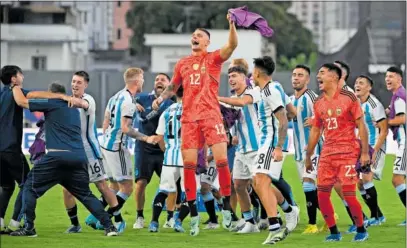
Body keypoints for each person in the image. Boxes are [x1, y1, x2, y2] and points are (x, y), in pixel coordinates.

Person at [151, 13, 238, 236]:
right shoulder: (183, 63)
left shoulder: (214, 59)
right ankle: (193, 215)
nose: (195, 37)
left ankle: (227, 207)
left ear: (207, 42)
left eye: (199, 35)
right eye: (193, 35)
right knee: (189, 167)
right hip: (189, 120)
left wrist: (231, 25)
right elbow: (172, 86)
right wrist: (160, 99)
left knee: (220, 161)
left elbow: (232, 46)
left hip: (210, 116)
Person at [9, 83, 118, 237]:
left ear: (50, 94)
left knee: (28, 188)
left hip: (57, 156)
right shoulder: (73, 108)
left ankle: (29, 228)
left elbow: (22, 101)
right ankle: (110, 227)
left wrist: (15, 87)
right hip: (78, 157)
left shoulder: (53, 102)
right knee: (86, 195)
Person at [0, 65, 70, 234]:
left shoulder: (2, 94)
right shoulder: (16, 90)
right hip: (11, 147)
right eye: (20, 74)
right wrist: (59, 96)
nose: (22, 76)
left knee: (6, 186)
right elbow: (34, 95)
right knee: (27, 183)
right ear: (14, 79)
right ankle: (15, 224)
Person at [305, 63, 369, 242]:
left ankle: (361, 230)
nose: (318, 76)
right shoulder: (318, 102)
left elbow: (361, 126)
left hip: (348, 152)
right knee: (322, 194)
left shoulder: (349, 97)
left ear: (334, 77)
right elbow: (316, 131)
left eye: (322, 73)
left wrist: (364, 153)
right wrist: (308, 155)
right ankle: (334, 232)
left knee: (349, 194)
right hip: (327, 155)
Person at [60, 71, 122, 233]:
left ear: (85, 85)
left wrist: (59, 98)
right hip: (72, 153)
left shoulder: (88, 100)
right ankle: (75, 224)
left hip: (90, 153)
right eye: (73, 81)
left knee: (102, 186)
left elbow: (82, 105)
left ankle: (118, 219)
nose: (75, 85)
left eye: (79, 82)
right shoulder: (66, 102)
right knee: (66, 190)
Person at [98, 68, 155, 231]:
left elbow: (105, 122)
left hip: (105, 145)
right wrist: (146, 138)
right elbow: (125, 128)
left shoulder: (116, 96)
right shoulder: (128, 101)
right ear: (137, 81)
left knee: (113, 186)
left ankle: (94, 216)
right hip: (116, 147)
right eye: (142, 78)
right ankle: (108, 219)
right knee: (128, 187)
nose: (143, 82)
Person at [250, 56, 295, 245]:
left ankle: (275, 227)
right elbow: (292, 112)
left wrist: (278, 146)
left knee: (260, 182)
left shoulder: (269, 90)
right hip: (267, 143)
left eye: (253, 70)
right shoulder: (274, 87)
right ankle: (290, 211)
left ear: (258, 72)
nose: (251, 74)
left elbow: (284, 118)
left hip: (271, 143)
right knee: (258, 182)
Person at [133, 73, 174, 229]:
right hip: (144, 148)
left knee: (171, 185)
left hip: (165, 149)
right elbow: (126, 99)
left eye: (163, 80)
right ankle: (139, 217)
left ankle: (170, 217)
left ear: (169, 84)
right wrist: (133, 105)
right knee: (141, 183)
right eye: (157, 79)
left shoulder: (172, 102)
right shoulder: (142, 98)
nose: (159, 81)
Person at [290, 65, 322, 234]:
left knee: (308, 184)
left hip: (313, 149)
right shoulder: (290, 100)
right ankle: (329, 214)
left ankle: (312, 224)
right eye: (294, 75)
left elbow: (326, 115)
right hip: (297, 151)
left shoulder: (312, 97)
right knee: (308, 187)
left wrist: (316, 119)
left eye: (300, 75)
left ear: (307, 80)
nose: (296, 78)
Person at [147, 86, 183, 232]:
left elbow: (159, 137)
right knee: (189, 192)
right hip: (186, 156)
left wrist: (166, 150)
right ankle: (178, 222)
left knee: (163, 190)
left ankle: (154, 223)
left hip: (169, 157)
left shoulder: (166, 112)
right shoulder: (192, 109)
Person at [354, 75, 387, 225]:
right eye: (356, 83)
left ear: (369, 87)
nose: (357, 85)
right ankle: (379, 215)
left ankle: (374, 217)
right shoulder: (356, 104)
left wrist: (374, 152)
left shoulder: (375, 104)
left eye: (361, 83)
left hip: (375, 147)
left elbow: (384, 130)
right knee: (360, 184)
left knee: (367, 178)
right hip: (362, 148)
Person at [385, 66, 406, 226]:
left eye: (391, 76)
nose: (387, 79)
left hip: (405, 144)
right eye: (387, 77)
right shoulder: (398, 96)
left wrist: (385, 123)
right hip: (402, 143)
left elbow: (402, 119)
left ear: (399, 79)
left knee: (397, 179)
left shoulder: (399, 97)